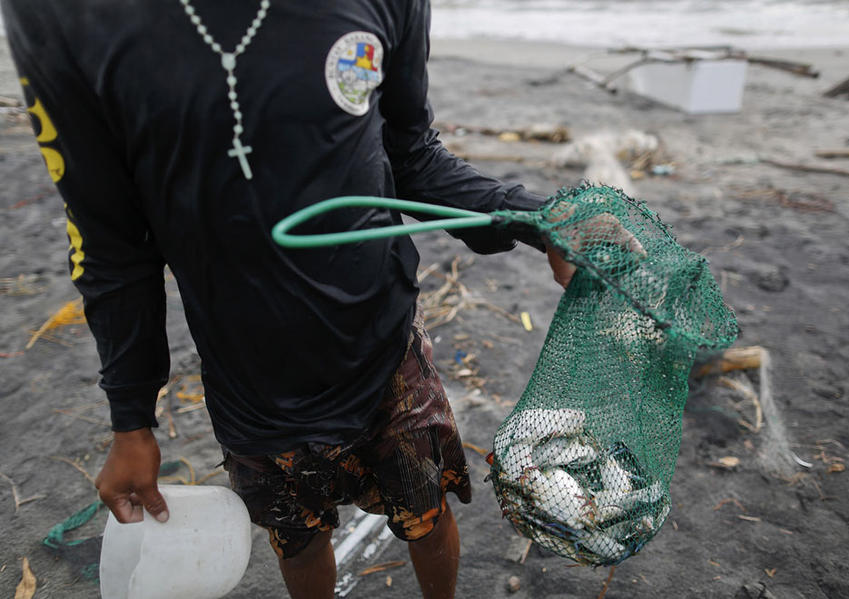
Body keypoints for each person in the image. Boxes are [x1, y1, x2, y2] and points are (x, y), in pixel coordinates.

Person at [2, 1, 639, 597]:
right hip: (249, 383)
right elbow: (111, 244)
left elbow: (413, 158)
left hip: (384, 352)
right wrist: (131, 419)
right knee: (298, 540)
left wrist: (536, 219)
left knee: (426, 513)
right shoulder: (60, 16)